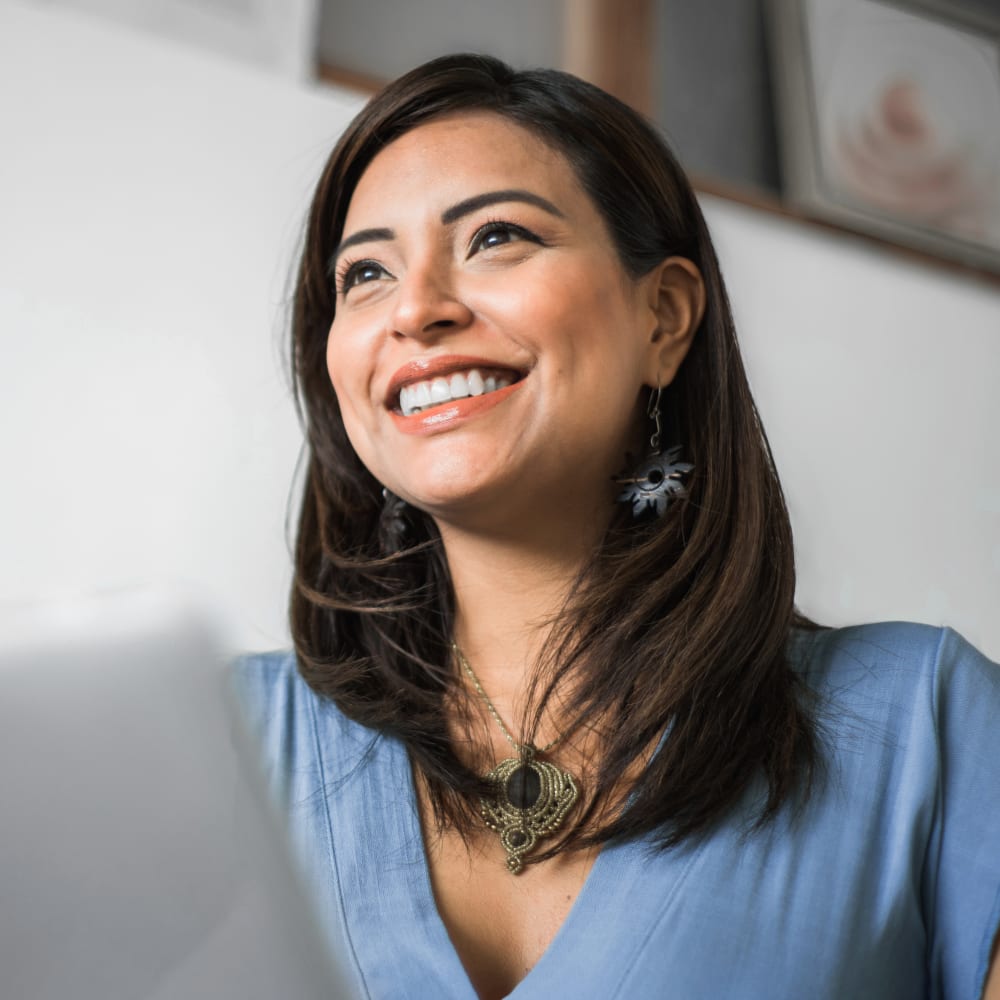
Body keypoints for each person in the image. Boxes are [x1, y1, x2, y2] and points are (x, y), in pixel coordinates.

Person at [233, 54, 1000, 999]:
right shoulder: (225, 742)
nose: (417, 310)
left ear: (664, 318)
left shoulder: (929, 723)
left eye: (497, 236)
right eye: (366, 272)